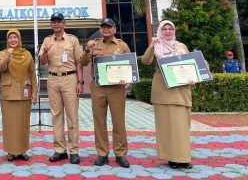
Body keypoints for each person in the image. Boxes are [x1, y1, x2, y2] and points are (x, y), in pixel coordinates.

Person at [141, 19, 193, 169]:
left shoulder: (181, 46)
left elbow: (190, 64)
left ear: (174, 31)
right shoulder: (156, 46)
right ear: (160, 31)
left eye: (170, 29)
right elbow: (145, 61)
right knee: (166, 126)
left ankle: (184, 158)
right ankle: (171, 158)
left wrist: (193, 77)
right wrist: (151, 45)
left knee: (182, 127)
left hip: (181, 91)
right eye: (165, 29)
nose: (168, 31)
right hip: (163, 91)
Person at [83, 18, 131, 168]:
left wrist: (126, 78)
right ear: (100, 29)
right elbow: (83, 63)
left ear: (114, 29)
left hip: (117, 88)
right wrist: (86, 50)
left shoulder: (122, 46)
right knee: (99, 121)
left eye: (109, 27)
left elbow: (129, 65)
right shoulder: (94, 44)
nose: (106, 29)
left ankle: (120, 154)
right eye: (103, 27)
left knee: (118, 121)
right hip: (98, 87)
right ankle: (102, 153)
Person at [39, 12, 84, 164]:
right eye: (54, 21)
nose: (56, 24)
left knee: (72, 116)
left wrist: (80, 82)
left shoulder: (72, 40)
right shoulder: (47, 40)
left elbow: (79, 61)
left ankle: (74, 150)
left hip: (70, 79)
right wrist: (45, 51)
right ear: (51, 24)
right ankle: (60, 150)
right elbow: (42, 62)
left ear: (64, 24)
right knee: (56, 116)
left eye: (59, 21)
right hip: (53, 79)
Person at [0, 28, 38, 162]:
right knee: (9, 124)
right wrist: (8, 55)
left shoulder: (27, 54)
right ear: (7, 40)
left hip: (24, 93)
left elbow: (32, 74)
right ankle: (11, 151)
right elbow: (1, 68)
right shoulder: (3, 53)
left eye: (15, 37)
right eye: (10, 37)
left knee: (23, 124)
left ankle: (22, 151)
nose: (13, 40)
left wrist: (34, 92)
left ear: (19, 39)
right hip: (8, 94)